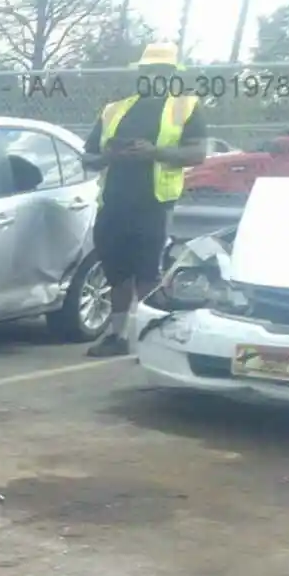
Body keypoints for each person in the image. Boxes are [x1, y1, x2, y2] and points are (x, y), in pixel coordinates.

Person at [81, 43, 210, 357]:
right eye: (149, 70)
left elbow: (197, 153)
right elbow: (88, 157)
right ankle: (117, 336)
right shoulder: (115, 109)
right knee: (117, 273)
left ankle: (153, 341)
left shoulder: (185, 106)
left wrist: (155, 152)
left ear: (172, 74)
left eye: (162, 71)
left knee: (148, 274)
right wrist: (108, 155)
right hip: (113, 204)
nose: (154, 76)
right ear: (141, 73)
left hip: (152, 205)